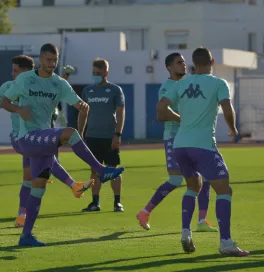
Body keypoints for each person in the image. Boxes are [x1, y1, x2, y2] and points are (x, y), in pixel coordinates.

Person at [1, 43, 125, 247]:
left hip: (43, 139)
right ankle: (101, 171)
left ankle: (26, 236)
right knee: (68, 134)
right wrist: (18, 110)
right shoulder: (25, 79)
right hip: (27, 138)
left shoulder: (59, 84)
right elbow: (4, 102)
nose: (52, 64)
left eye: (55, 60)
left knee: (38, 186)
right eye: (49, 60)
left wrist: (83, 111)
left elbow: (79, 107)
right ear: (40, 59)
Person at [0, 56, 93, 228]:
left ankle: (22, 216)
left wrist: (64, 78)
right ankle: (73, 185)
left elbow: (56, 88)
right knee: (47, 160)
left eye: (16, 70)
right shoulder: (10, 86)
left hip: (36, 135)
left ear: (26, 72)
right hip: (21, 137)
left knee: (29, 179)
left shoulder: (38, 84)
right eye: (12, 70)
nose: (12, 74)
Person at [156, 47, 248, 256]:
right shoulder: (218, 83)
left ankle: (186, 232)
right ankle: (225, 243)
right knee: (224, 189)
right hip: (202, 144)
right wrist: (233, 128)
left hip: (180, 145)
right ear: (212, 61)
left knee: (193, 186)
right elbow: (226, 107)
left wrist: (180, 119)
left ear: (194, 64)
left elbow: (161, 110)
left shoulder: (181, 83)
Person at [137, 53, 217, 232]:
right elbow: (161, 113)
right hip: (174, 137)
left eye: (184, 62)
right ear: (169, 68)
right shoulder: (168, 86)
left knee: (205, 177)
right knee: (175, 180)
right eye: (179, 62)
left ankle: (202, 221)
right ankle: (145, 211)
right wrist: (183, 119)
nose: (184, 65)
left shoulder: (186, 84)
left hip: (191, 137)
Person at [80, 58, 126, 213]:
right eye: (93, 73)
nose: (95, 76)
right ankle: (95, 203)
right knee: (95, 171)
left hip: (109, 136)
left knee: (113, 170)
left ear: (106, 73)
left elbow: (121, 113)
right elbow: (83, 113)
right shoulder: (88, 90)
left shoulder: (115, 90)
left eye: (98, 73)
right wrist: (81, 133)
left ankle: (117, 202)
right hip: (92, 136)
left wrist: (117, 134)